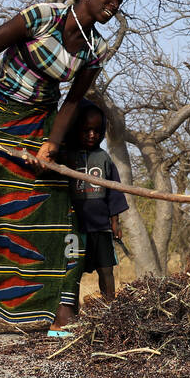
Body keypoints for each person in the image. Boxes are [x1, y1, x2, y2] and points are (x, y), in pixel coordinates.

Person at [0, 0, 123, 339]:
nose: (113, 4)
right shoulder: (42, 16)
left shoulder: (96, 48)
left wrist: (52, 144)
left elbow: (72, 100)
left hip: (42, 123)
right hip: (0, 119)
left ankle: (62, 311)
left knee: (61, 214)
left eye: (119, 0)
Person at [62, 101, 128, 302]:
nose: (92, 135)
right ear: (75, 129)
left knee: (106, 269)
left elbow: (113, 192)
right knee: (72, 272)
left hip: (100, 227)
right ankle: (70, 314)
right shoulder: (66, 156)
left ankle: (111, 311)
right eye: (86, 130)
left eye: (97, 131)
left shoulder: (103, 158)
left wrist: (115, 223)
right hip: (74, 228)